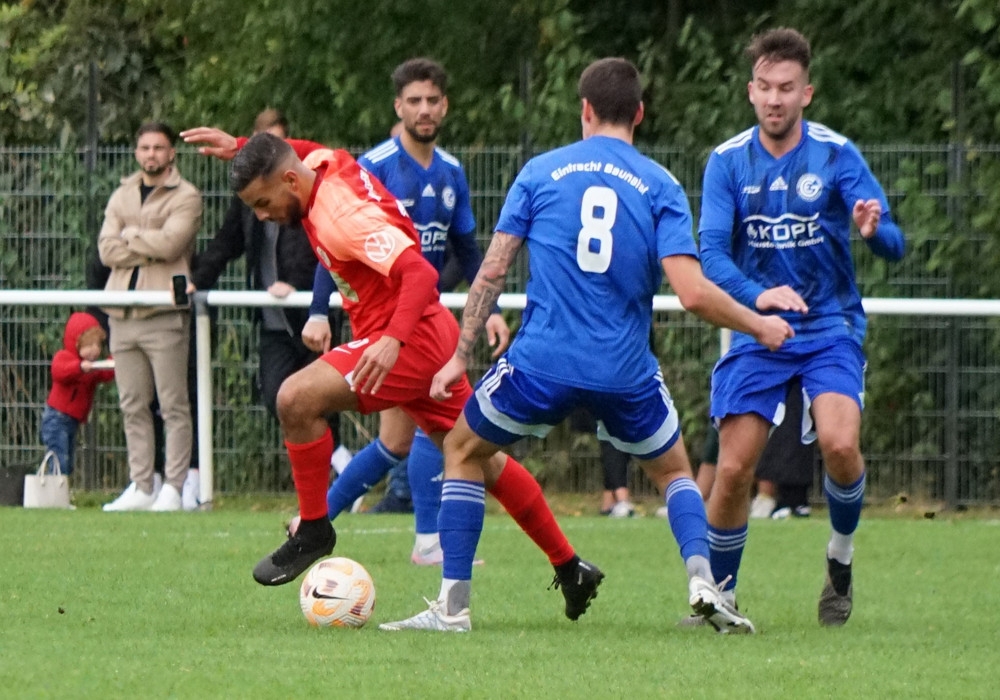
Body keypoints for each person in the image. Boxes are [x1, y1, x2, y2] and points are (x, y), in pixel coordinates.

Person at [381, 57, 793, 633]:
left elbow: (493, 270)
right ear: (640, 114)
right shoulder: (660, 184)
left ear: (585, 111)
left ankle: (453, 607)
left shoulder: (540, 171)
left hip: (540, 362)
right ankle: (705, 582)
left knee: (462, 448)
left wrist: (458, 355)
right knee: (674, 474)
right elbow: (694, 294)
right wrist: (759, 324)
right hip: (624, 370)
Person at [180, 128, 601, 625]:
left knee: (295, 398)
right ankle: (570, 567)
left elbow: (420, 274)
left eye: (263, 202)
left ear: (291, 181)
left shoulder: (339, 215)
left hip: (408, 342)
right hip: (429, 335)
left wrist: (391, 339)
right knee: (478, 458)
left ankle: (314, 527)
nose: (262, 215)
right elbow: (292, 149)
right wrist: (242, 144)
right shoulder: (319, 164)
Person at [698, 27, 905, 627]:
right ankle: (721, 597)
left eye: (786, 88)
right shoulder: (727, 162)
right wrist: (758, 298)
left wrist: (873, 232)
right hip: (758, 331)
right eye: (764, 87)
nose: (774, 99)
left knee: (841, 446)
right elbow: (711, 255)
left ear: (806, 93)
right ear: (750, 91)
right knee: (734, 468)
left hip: (829, 326)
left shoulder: (837, 155)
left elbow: (895, 243)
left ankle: (839, 559)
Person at [311, 58, 511, 566]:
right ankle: (425, 539)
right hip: (383, 324)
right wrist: (318, 310)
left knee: (397, 441)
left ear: (444, 105)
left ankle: (309, 522)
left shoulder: (451, 171)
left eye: (432, 100)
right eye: (414, 101)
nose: (424, 110)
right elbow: (333, 241)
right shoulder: (375, 165)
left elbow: (467, 251)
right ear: (398, 107)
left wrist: (489, 309)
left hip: (424, 319)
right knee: (426, 430)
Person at [188, 108, 346, 484]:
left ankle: (343, 480)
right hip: (274, 322)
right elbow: (227, 242)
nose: (262, 214)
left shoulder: (320, 194)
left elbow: (328, 252)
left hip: (312, 314)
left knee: (336, 408)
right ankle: (339, 472)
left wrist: (314, 303)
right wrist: (198, 279)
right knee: (282, 399)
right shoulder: (251, 203)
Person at [99, 121, 202, 512]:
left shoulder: (187, 195)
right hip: (122, 313)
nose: (151, 155)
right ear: (136, 152)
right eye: (144, 148)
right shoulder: (121, 194)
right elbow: (106, 249)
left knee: (173, 405)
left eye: (159, 148)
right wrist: (149, 243)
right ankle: (141, 486)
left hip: (164, 311)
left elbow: (174, 242)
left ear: (171, 152)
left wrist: (129, 237)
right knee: (132, 404)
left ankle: (173, 488)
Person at [41, 312, 116, 475]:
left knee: (67, 460)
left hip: (71, 422)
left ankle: (59, 494)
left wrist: (116, 357)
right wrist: (79, 367)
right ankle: (56, 496)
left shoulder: (91, 368)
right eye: (88, 345)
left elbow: (106, 373)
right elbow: (59, 371)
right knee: (59, 460)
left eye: (97, 345)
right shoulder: (64, 357)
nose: (94, 350)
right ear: (75, 343)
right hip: (56, 419)